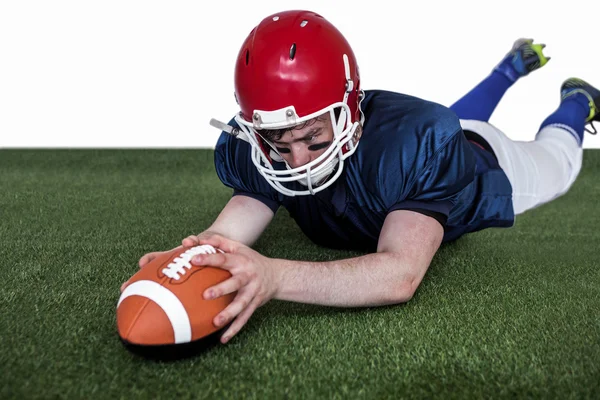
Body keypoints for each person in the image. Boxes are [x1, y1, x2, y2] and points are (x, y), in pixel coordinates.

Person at [123, 10, 600, 344]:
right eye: (277, 143)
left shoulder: (416, 144)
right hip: (430, 138)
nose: (295, 162)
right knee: (454, 118)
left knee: (555, 165)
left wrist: (273, 275)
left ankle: (578, 101)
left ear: (349, 111)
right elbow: (227, 234)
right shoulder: (267, 144)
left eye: (311, 138)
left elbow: (399, 274)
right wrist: (193, 254)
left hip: (485, 164)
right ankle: (509, 68)